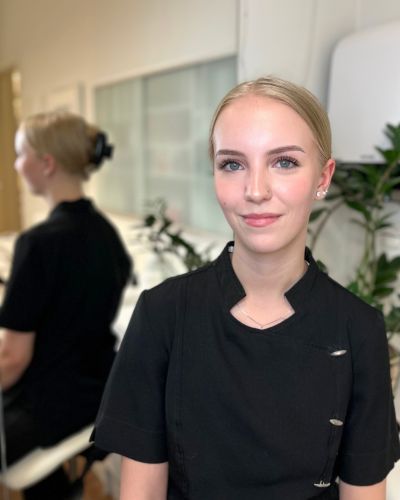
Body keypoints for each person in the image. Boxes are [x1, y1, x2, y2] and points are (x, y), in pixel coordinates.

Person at [92, 77, 400, 500]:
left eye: (284, 162)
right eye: (233, 164)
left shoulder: (358, 329)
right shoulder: (162, 314)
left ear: (323, 177)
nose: (255, 191)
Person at [0, 111, 132, 499]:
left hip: (51, 404)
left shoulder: (38, 245)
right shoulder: (107, 235)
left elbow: (12, 360)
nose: (16, 165)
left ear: (46, 164)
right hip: (100, 392)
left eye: (20, 154)